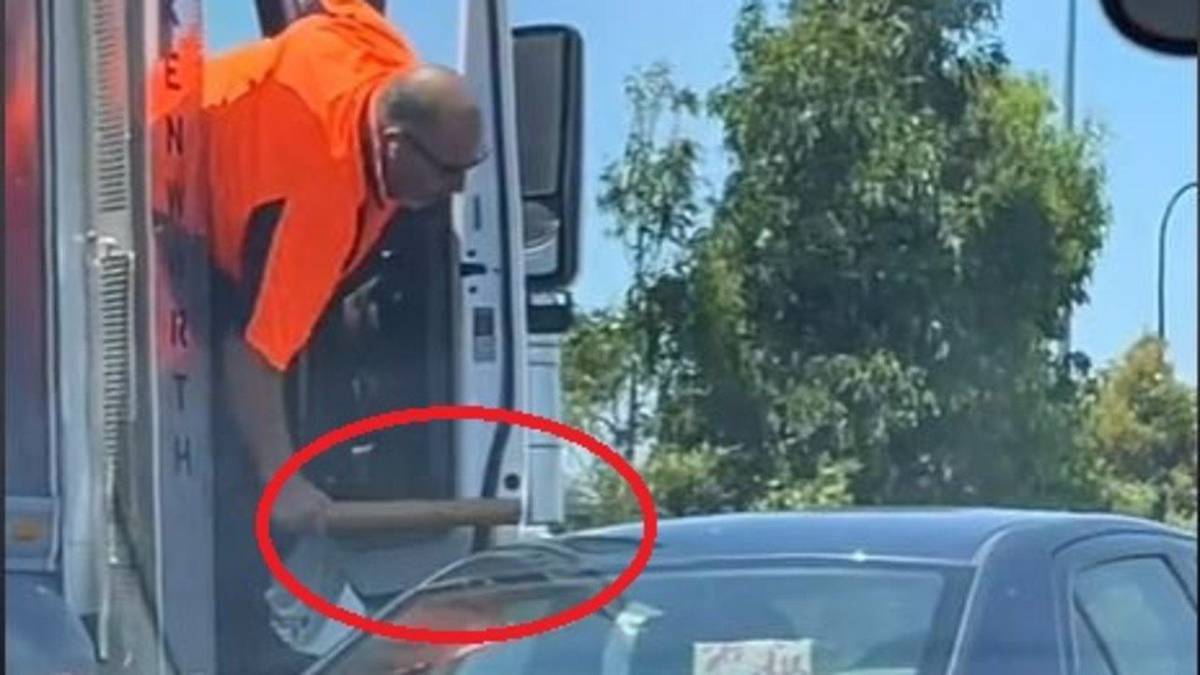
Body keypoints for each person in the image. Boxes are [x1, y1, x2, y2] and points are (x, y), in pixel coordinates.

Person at [202, 1, 485, 672]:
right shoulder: (318, 206)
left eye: (470, 165)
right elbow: (250, 357)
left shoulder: (378, 48)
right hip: (172, 203)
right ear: (393, 142)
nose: (458, 186)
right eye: (447, 170)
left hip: (236, 132)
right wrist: (287, 481)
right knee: (239, 461)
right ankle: (248, 639)